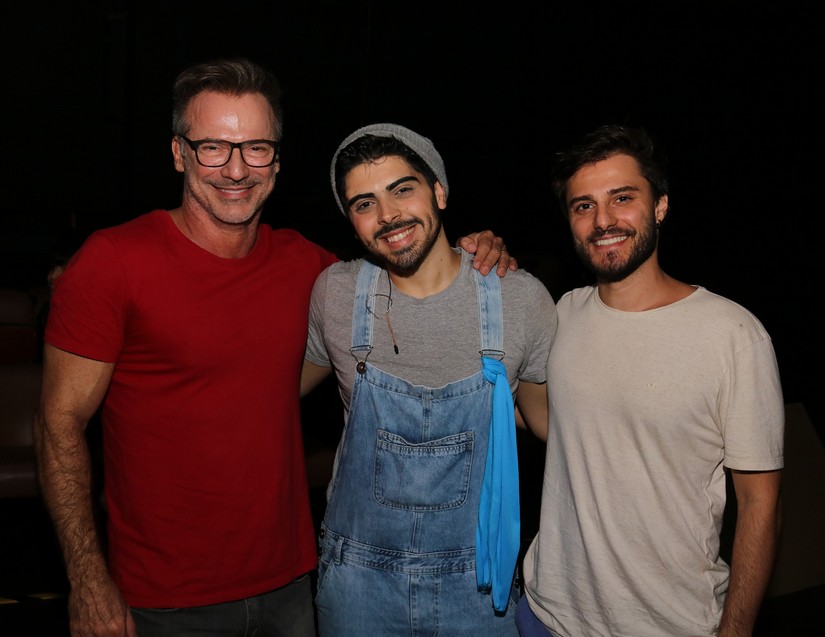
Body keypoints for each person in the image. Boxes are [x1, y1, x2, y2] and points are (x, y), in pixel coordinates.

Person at [32, 58, 515, 637]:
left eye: (256, 148)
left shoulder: (312, 271)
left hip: (294, 585)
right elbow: (58, 423)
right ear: (179, 153)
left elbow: (410, 281)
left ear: (277, 161)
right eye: (213, 146)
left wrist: (478, 253)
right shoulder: (113, 263)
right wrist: (87, 581)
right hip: (161, 596)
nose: (236, 169)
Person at [517, 124, 785, 637]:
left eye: (622, 198)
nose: (603, 221)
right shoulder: (562, 315)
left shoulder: (732, 335)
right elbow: (558, 426)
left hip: (670, 624)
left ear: (660, 206)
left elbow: (760, 503)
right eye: (583, 206)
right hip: (546, 617)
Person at [300, 123, 557, 636]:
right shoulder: (335, 294)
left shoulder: (519, 299)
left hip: (479, 588)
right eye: (364, 203)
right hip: (356, 585)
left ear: (438, 191)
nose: (388, 215)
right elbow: (266, 391)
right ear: (351, 222)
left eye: (402, 189)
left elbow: (550, 425)